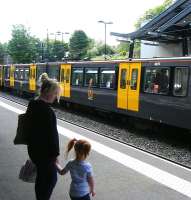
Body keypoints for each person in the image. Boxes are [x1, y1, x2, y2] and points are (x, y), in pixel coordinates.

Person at [26, 76, 61, 200]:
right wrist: (55, 156)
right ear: (48, 92)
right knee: (50, 179)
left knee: (41, 178)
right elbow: (52, 137)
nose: (56, 96)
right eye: (55, 93)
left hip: (33, 149)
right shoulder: (47, 111)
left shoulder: (32, 104)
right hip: (45, 153)